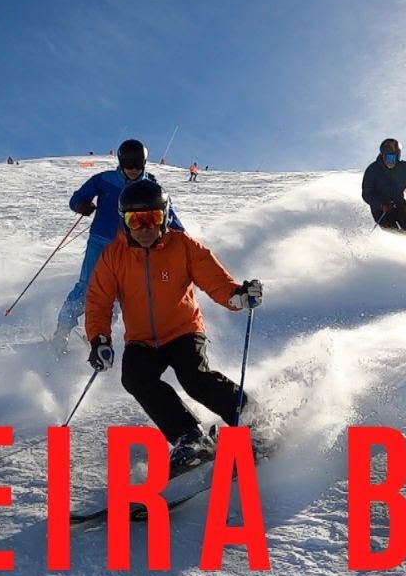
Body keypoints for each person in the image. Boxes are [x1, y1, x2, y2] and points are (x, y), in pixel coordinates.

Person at [84, 179, 264, 473]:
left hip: (183, 330)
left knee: (194, 377)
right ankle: (189, 436)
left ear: (165, 217)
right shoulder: (113, 257)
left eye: (152, 218)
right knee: (135, 378)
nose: (144, 228)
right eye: (135, 220)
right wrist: (99, 339)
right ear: (124, 221)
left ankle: (252, 419)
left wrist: (238, 296)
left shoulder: (183, 246)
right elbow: (98, 302)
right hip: (141, 339)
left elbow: (216, 282)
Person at [54, 139, 182, 350]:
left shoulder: (150, 187)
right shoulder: (104, 179)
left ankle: (97, 334)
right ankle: (62, 331)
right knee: (88, 286)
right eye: (128, 164)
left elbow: (169, 216)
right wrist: (81, 205)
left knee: (117, 294)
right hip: (100, 241)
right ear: (120, 162)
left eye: (137, 164)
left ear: (144, 163)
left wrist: (181, 237)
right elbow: (76, 198)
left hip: (130, 247)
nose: (133, 169)